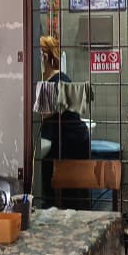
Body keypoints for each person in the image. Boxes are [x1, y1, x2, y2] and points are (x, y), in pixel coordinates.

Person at [38, 36, 91, 205]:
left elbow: (44, 113)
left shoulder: (56, 81)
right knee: (63, 192)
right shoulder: (53, 79)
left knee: (70, 195)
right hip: (65, 140)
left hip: (70, 142)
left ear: (44, 57)